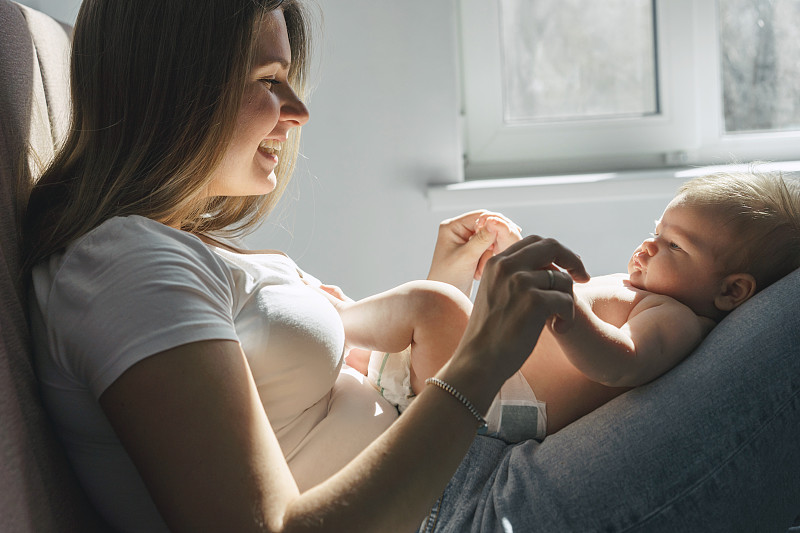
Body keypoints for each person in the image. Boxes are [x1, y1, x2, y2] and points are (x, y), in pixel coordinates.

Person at [22, 1, 587, 531]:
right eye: (269, 81)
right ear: (174, 90)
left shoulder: (171, 246)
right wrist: (483, 358)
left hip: (450, 482)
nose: (298, 112)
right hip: (450, 509)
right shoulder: (126, 270)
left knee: (663, 332)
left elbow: (319, 403)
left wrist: (440, 298)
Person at [353, 170, 800, 443]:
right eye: (656, 230)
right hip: (488, 377)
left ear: (732, 292)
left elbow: (621, 362)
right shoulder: (651, 295)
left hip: (499, 404)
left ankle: (337, 323)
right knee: (427, 313)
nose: (648, 245)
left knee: (431, 306)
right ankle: (344, 330)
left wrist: (567, 310)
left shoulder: (678, 319)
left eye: (674, 246)